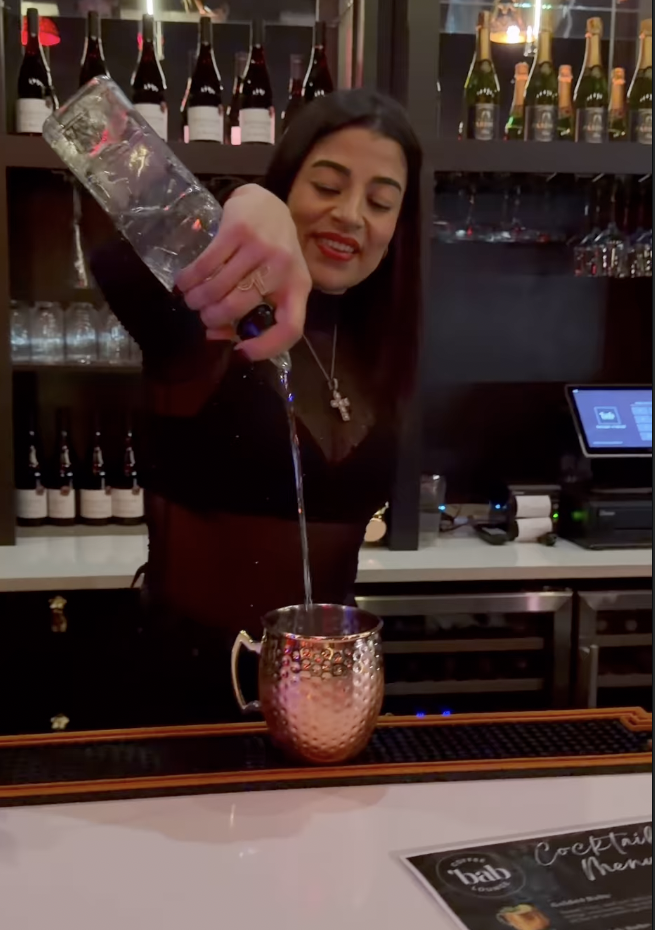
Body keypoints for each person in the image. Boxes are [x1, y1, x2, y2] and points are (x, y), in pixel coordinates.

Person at [90, 88, 423, 725]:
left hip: (325, 709)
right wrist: (243, 202)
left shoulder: (377, 349)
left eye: (381, 201)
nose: (351, 215)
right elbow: (98, 141)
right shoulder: (208, 314)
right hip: (181, 706)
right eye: (326, 185)